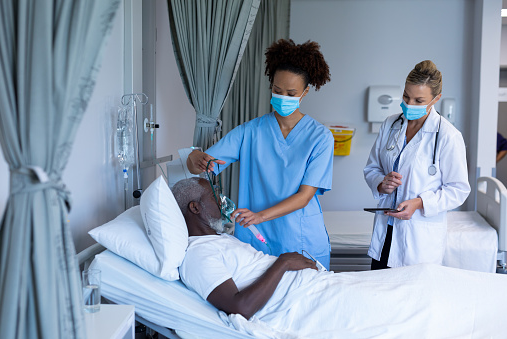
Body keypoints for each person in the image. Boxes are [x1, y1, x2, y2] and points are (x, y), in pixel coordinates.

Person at [172, 177, 507, 338]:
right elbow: (240, 307)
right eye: (215, 197)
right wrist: (285, 262)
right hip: (308, 303)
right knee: (419, 302)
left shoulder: (219, 241)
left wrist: (290, 265)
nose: (224, 200)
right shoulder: (197, 255)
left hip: (318, 287)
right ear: (195, 208)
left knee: (424, 280)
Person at [186, 39, 334, 269]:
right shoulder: (249, 132)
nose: (282, 97)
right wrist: (194, 157)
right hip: (256, 239)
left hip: (301, 237)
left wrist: (260, 216)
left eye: (291, 93)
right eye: (277, 90)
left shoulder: (320, 137)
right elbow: (205, 164)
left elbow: (305, 196)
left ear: (304, 93)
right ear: (270, 87)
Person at [363, 60, 471, 270]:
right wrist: (381, 183)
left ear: (436, 99)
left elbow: (458, 189)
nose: (409, 104)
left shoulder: (448, 136)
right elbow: (372, 167)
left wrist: (420, 203)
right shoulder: (390, 124)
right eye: (406, 96)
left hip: (418, 241)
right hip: (385, 234)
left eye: (419, 100)